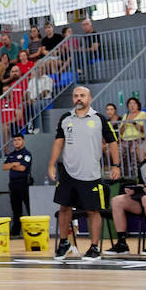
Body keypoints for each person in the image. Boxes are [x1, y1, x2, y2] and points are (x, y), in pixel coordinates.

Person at [49, 86, 120, 261]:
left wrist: (116, 165)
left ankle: (94, 247)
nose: (78, 98)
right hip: (68, 172)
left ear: (90, 98)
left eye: (82, 95)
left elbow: (112, 142)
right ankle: (64, 243)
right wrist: (51, 164)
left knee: (92, 210)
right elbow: (59, 142)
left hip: (91, 173)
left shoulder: (99, 119)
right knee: (64, 207)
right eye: (75, 96)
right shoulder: (66, 118)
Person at [106, 132, 146, 255]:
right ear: (145, 144)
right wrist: (134, 190)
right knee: (117, 200)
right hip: (145, 201)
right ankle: (122, 243)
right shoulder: (143, 164)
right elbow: (142, 185)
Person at [2, 133, 33, 234]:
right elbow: (4, 167)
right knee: (16, 210)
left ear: (23, 140)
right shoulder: (11, 154)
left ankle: (32, 230)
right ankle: (15, 232)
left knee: (29, 208)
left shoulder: (26, 154)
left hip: (24, 184)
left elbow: (22, 168)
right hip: (13, 184)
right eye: (15, 140)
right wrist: (14, 164)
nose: (16, 142)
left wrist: (11, 165)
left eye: (19, 140)